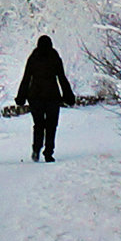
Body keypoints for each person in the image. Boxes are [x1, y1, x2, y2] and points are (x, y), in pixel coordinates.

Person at [15, 34, 75, 162]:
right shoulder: (54, 57)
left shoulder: (33, 58)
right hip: (52, 96)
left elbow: (26, 78)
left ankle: (36, 149)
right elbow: (61, 78)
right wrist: (68, 95)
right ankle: (48, 152)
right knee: (51, 125)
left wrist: (21, 97)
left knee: (38, 124)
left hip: (35, 96)